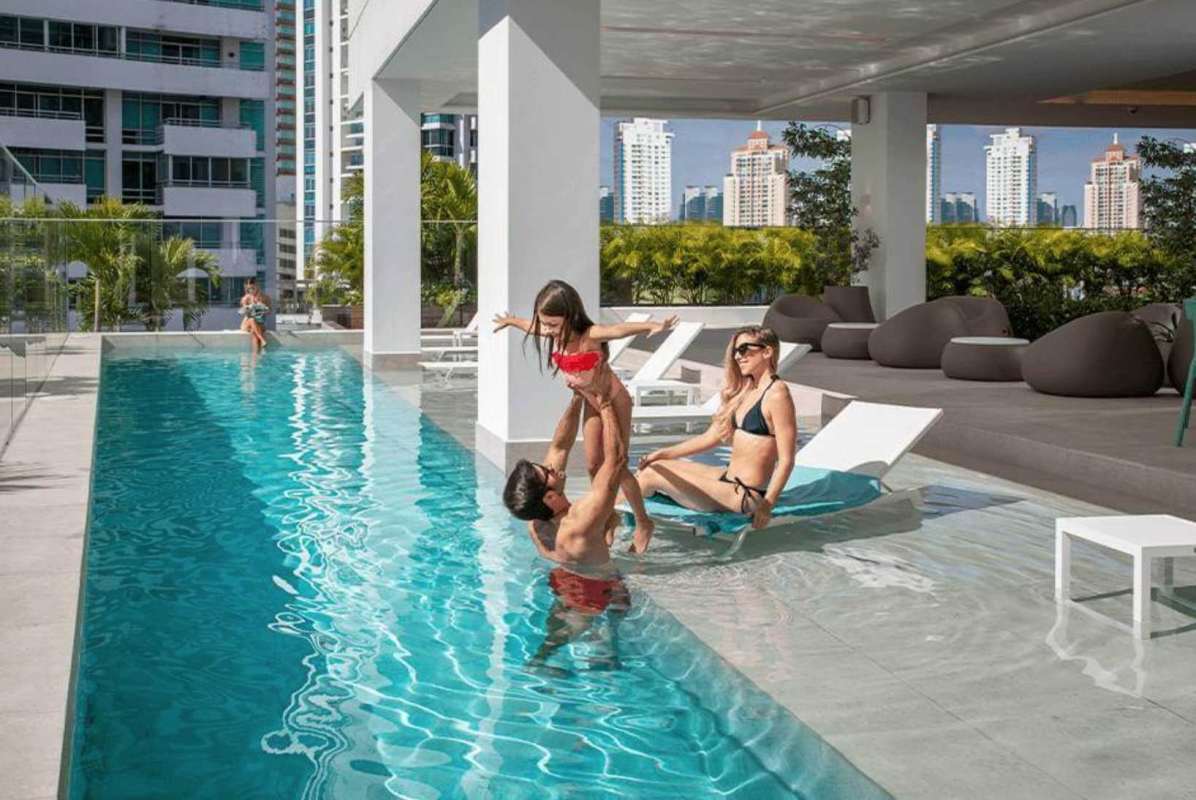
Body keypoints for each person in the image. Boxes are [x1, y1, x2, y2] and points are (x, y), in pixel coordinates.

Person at [493, 279, 677, 553]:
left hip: (613, 401)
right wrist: (511, 320)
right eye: (545, 324)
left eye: (554, 324)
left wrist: (652, 326)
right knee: (593, 465)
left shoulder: (589, 335)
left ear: (571, 316)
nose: (549, 331)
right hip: (592, 401)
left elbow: (618, 330)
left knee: (617, 465)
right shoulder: (553, 333)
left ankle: (643, 522)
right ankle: (608, 514)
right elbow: (531, 328)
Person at [635, 326, 797, 530]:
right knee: (653, 467)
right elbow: (710, 438)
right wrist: (662, 453)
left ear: (767, 352)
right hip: (726, 480)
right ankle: (620, 518)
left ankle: (606, 525)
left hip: (745, 495)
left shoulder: (777, 394)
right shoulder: (747, 389)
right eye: (736, 351)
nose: (738, 356)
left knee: (650, 476)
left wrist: (767, 505)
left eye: (745, 349)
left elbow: (787, 459)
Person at [503, 370, 628, 567]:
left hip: (561, 580)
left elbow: (559, 447)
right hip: (598, 591)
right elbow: (617, 459)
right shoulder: (580, 521)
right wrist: (604, 403)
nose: (551, 468)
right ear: (550, 498)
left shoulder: (535, 519)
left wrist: (577, 396)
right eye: (546, 472)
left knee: (610, 517)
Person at [239, 278, 269, 351]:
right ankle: (262, 339)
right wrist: (249, 307)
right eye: (249, 288)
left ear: (257, 286)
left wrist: (263, 309)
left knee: (254, 333)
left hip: (259, 322)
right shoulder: (245, 298)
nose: (251, 290)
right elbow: (243, 311)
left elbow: (269, 310)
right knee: (252, 319)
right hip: (247, 323)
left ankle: (255, 358)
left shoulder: (264, 297)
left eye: (253, 288)